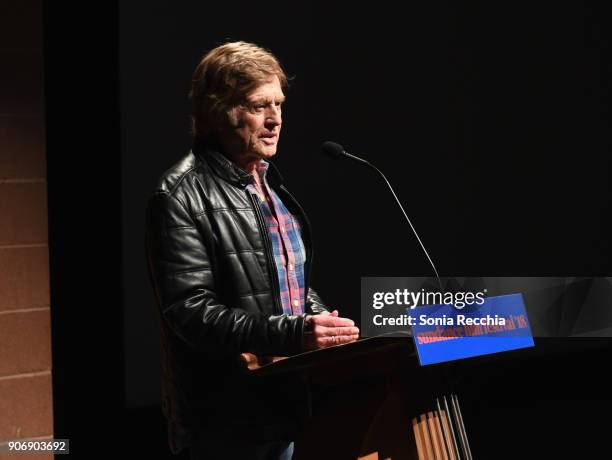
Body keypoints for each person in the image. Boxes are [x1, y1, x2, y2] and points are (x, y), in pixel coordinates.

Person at [145, 41, 360, 459]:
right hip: (224, 424)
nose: (275, 119)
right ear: (218, 111)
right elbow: (190, 312)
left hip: (282, 409)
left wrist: (321, 321)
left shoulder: (271, 186)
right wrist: (295, 332)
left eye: (279, 105)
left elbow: (287, 284)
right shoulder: (178, 195)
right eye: (259, 106)